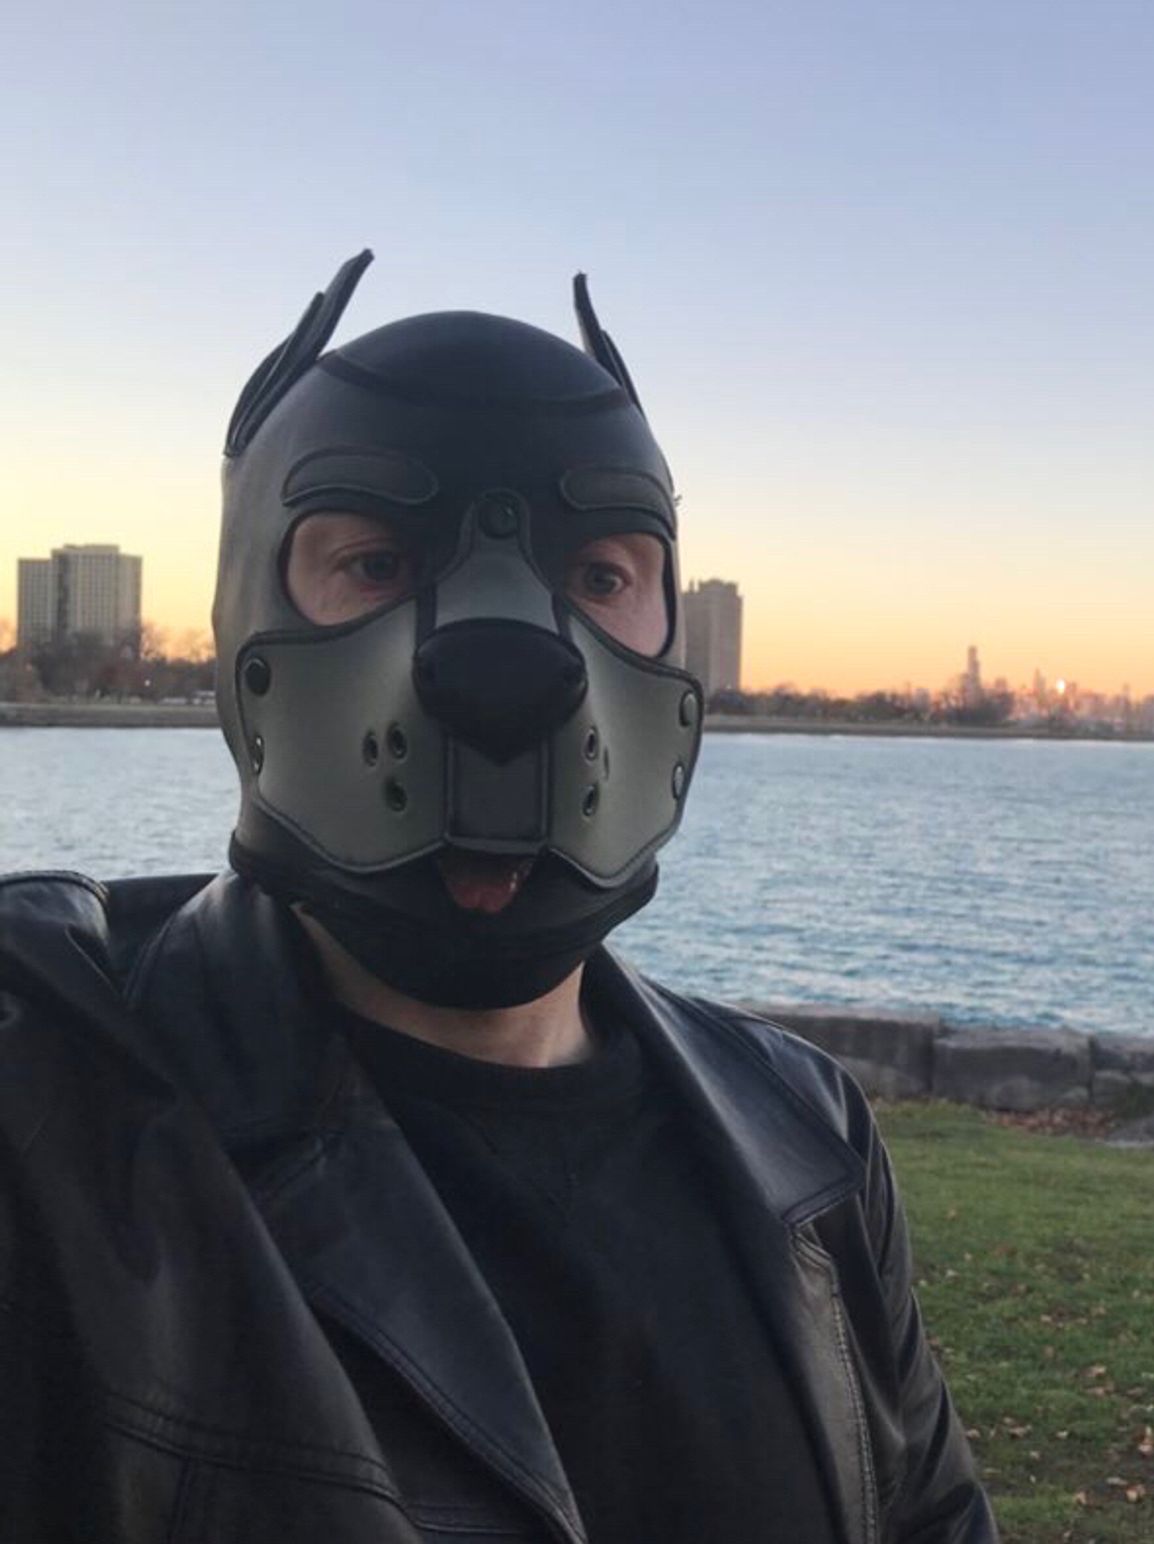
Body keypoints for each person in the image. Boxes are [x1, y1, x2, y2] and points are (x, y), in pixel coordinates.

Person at [0, 251, 997, 1543]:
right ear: (248, 617)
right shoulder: (57, 1119)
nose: (512, 661)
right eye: (377, 561)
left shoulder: (807, 1136)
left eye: (598, 576)